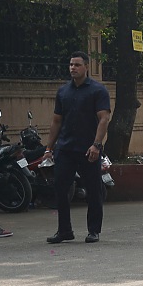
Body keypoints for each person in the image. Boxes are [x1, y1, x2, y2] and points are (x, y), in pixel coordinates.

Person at [43, 51, 110, 244]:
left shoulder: (98, 91)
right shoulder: (63, 92)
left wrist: (97, 145)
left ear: (86, 67)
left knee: (93, 190)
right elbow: (56, 121)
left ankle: (93, 231)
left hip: (89, 149)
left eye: (77, 65)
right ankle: (64, 231)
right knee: (61, 188)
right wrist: (49, 148)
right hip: (65, 148)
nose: (73, 68)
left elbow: (103, 119)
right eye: (71, 64)